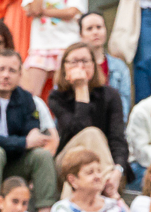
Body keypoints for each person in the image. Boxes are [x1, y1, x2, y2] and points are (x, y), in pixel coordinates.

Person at [0, 50, 57, 208]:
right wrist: (24, 142)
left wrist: (27, 139)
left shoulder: (26, 98)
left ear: (20, 75)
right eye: (1, 69)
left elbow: (33, 132)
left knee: (42, 155)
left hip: (14, 162)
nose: (6, 75)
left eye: (12, 71)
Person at [48, 44, 127, 185]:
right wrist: (81, 89)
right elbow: (79, 131)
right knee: (91, 134)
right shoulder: (57, 97)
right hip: (67, 161)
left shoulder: (111, 95)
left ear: (94, 65)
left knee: (85, 168)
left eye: (85, 61)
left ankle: (106, 182)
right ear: (64, 67)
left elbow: (117, 139)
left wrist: (117, 170)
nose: (80, 67)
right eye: (74, 62)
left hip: (105, 163)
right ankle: (106, 186)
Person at [19, 0, 84, 98]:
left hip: (67, 44)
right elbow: (33, 9)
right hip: (40, 45)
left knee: (66, 94)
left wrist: (43, 12)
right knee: (31, 94)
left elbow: (72, 12)